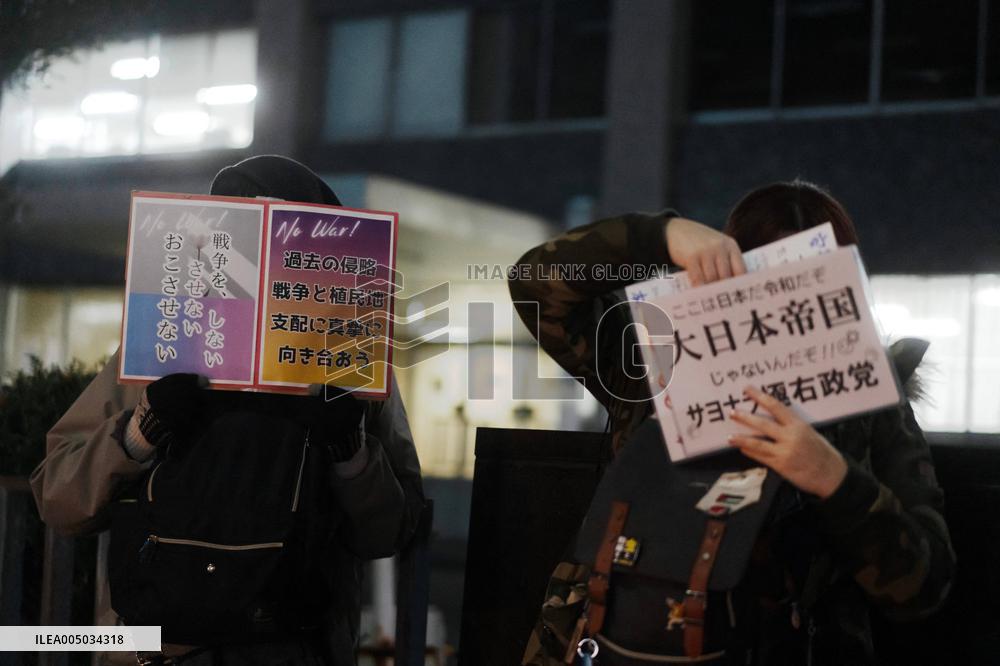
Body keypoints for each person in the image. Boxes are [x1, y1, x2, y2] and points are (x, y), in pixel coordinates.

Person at [510, 180, 955, 664]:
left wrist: (834, 479)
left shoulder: (871, 402)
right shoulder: (658, 361)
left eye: (812, 281)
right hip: (622, 641)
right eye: (758, 276)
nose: (782, 307)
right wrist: (661, 238)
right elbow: (536, 284)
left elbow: (923, 586)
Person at [30, 155, 425, 666]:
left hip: (291, 648)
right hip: (160, 650)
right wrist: (140, 431)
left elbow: (391, 531)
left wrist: (351, 454)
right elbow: (57, 497)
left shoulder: (355, 369)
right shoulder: (156, 352)